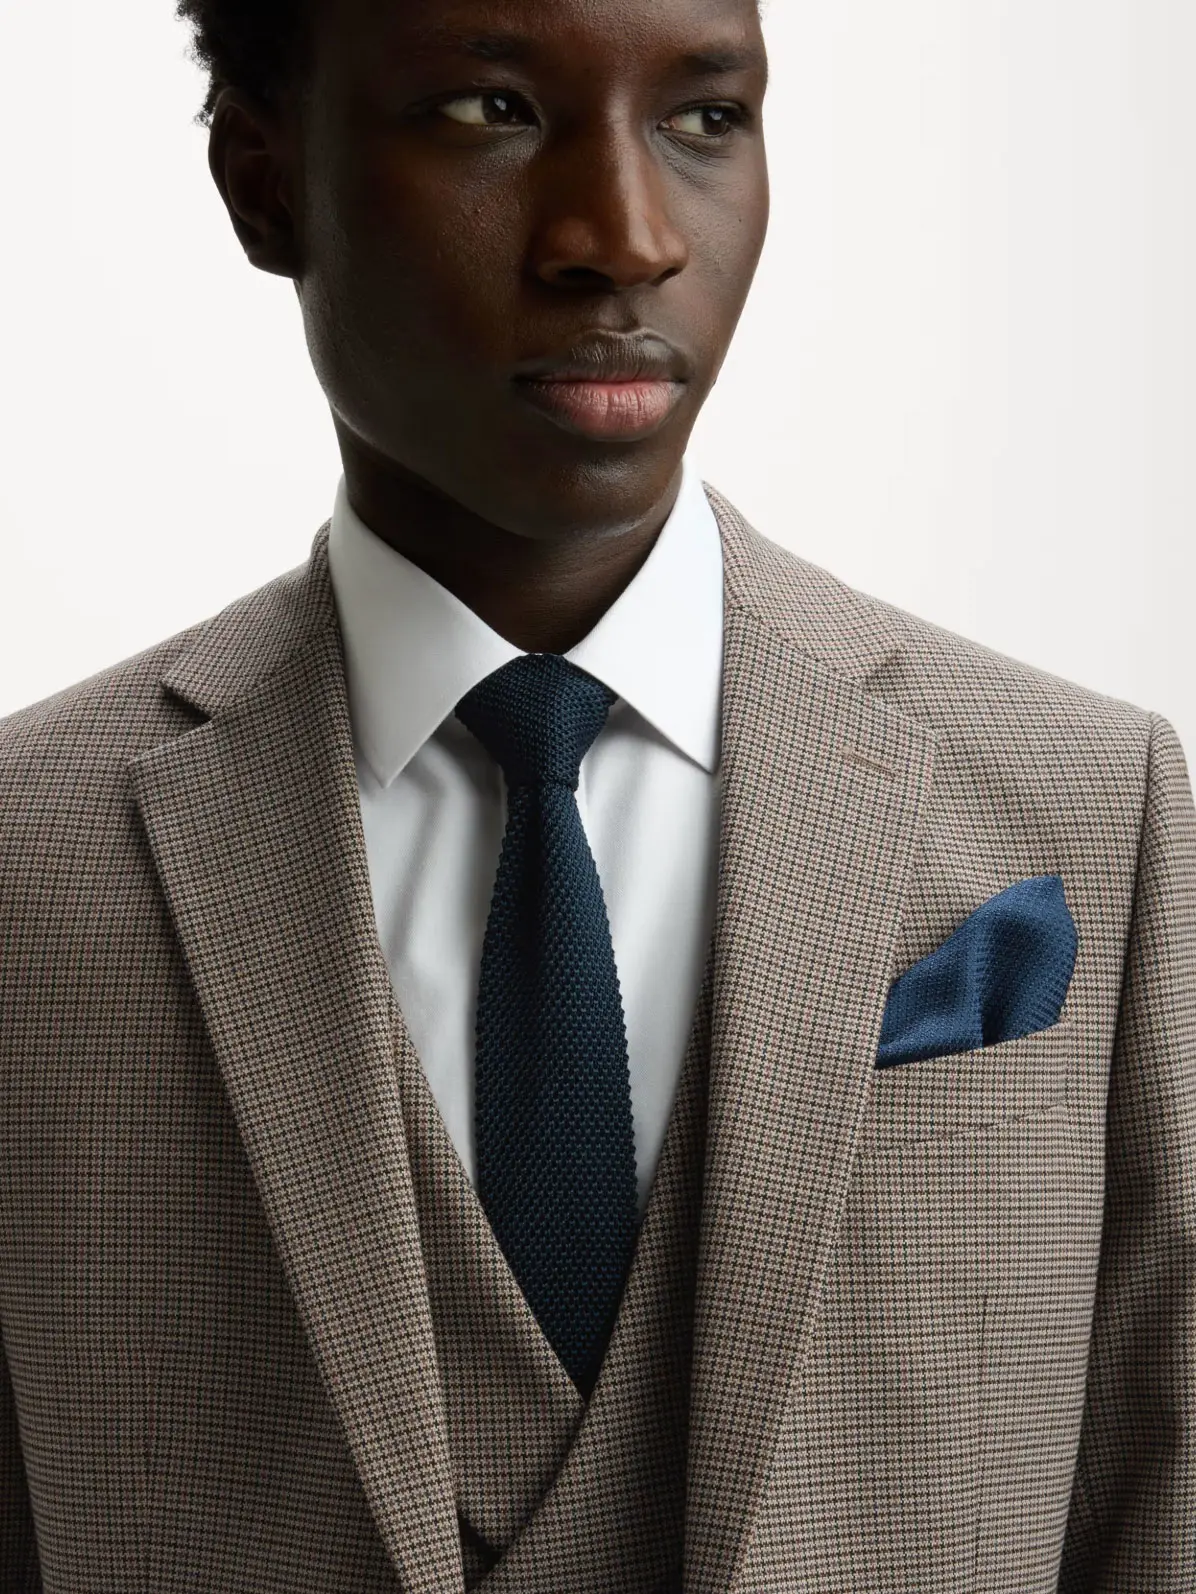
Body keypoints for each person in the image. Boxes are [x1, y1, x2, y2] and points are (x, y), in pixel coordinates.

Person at [0, 0, 1191, 1587]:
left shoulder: (1086, 803)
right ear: (261, 181)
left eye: (705, 117)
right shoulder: (30, 859)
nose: (624, 241)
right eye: (492, 110)